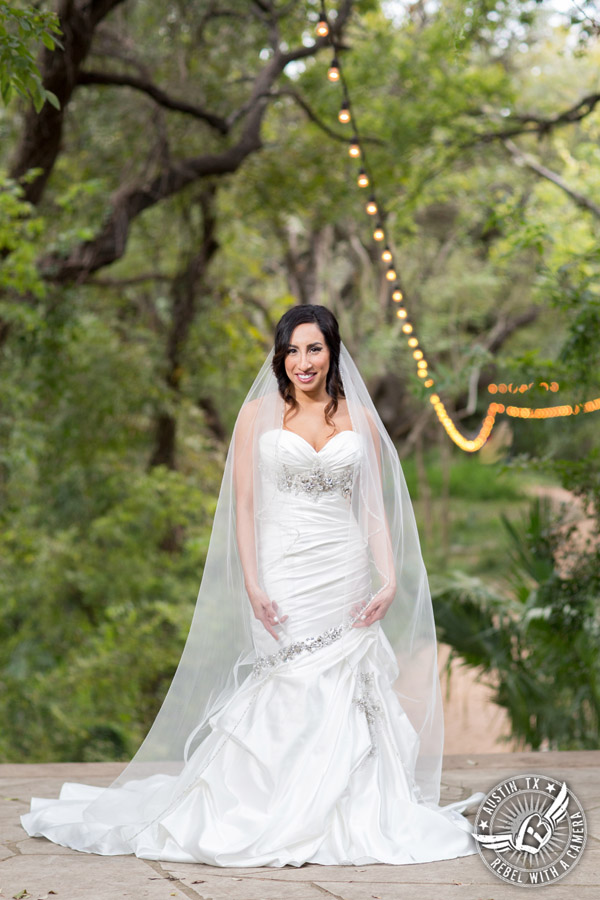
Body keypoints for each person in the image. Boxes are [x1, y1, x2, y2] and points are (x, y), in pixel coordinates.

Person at [21, 304, 485, 866]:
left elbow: (371, 512)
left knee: (345, 681)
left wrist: (386, 579)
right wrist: (252, 581)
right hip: (284, 568)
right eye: (292, 350)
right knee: (286, 680)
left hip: (344, 569)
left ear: (333, 351)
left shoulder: (356, 418)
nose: (302, 361)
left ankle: (347, 811)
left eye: (313, 348)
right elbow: (244, 506)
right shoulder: (257, 414)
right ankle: (264, 806)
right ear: (280, 355)